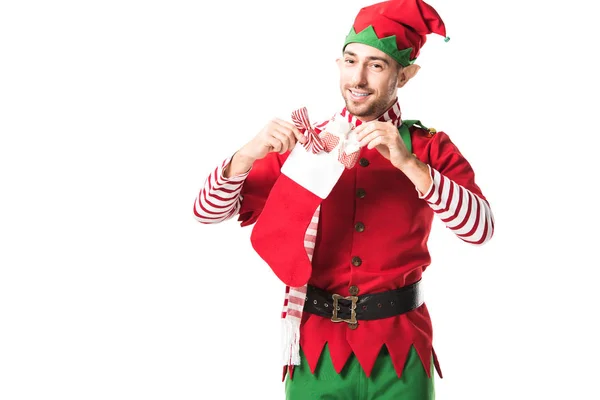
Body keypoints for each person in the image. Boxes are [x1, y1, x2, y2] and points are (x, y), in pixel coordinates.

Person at [193, 0, 494, 398]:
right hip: (315, 352)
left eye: (377, 65)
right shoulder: (308, 147)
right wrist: (245, 155)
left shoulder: (428, 147)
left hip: (400, 351)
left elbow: (481, 231)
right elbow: (206, 212)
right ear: (338, 65)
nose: (359, 77)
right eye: (351, 61)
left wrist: (411, 166)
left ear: (405, 76)